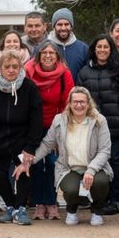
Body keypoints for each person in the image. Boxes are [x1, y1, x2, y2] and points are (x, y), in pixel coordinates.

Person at [25, 87, 112, 226]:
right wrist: (30, 161)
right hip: (69, 168)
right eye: (75, 101)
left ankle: (97, 211)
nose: (79, 105)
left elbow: (105, 150)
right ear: (69, 103)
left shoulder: (99, 121)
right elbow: (47, 144)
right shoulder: (59, 120)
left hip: (95, 168)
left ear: (89, 103)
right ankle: (72, 210)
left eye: (83, 102)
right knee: (71, 189)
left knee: (100, 183)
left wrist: (91, 170)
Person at [0, 50, 43, 225]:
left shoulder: (29, 87)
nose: (11, 70)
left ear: (20, 67)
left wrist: (30, 146)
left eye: (15, 66)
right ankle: (10, 206)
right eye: (7, 67)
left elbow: (36, 118)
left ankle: (20, 208)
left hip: (22, 139)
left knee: (24, 172)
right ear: (0, 68)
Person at [77, 34, 119, 216]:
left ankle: (115, 199)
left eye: (106, 47)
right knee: (96, 163)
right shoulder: (84, 72)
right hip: (92, 128)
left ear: (111, 50)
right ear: (94, 50)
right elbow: (79, 99)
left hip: (117, 125)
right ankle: (98, 198)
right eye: (99, 47)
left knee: (117, 162)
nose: (102, 50)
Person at [23, 40, 75, 220]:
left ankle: (52, 202)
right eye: (44, 52)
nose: (47, 56)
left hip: (56, 125)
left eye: (51, 53)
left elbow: (67, 104)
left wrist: (61, 131)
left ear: (57, 56)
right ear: (38, 55)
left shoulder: (64, 74)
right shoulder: (28, 72)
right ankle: (39, 203)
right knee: (36, 164)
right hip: (33, 125)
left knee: (53, 163)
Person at [49, 8, 88, 80]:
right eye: (59, 24)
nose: (63, 28)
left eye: (66, 24)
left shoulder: (83, 49)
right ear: (54, 26)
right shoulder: (44, 48)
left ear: (71, 26)